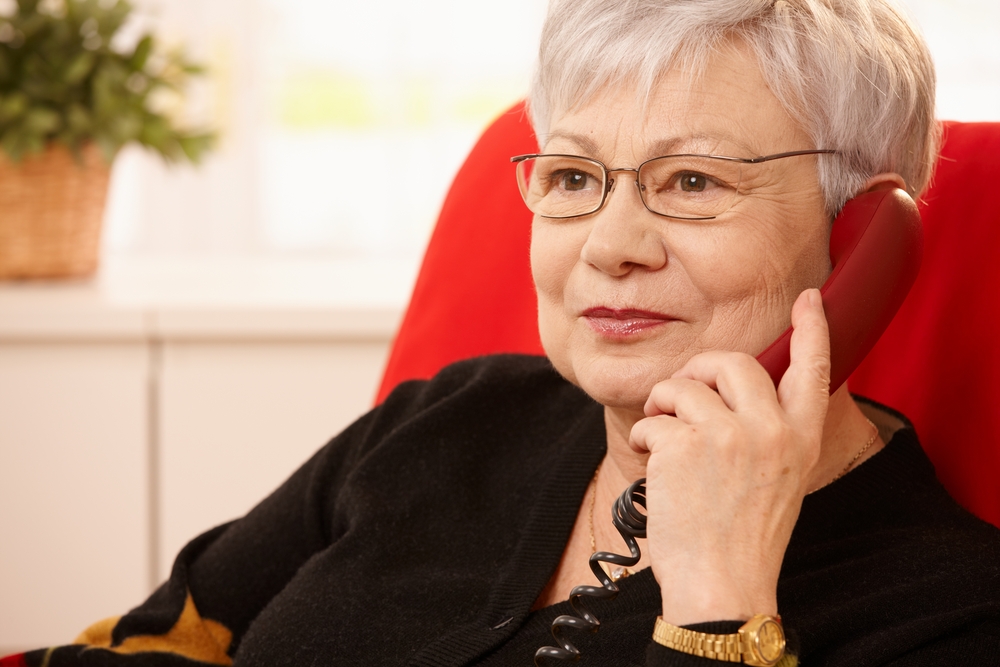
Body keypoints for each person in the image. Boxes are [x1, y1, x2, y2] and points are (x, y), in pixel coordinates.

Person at [5, 0, 1000, 665]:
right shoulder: (449, 419)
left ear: (861, 239)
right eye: (572, 177)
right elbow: (154, 641)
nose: (608, 245)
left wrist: (719, 604)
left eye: (692, 181)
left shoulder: (948, 606)